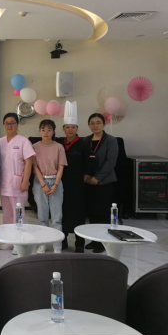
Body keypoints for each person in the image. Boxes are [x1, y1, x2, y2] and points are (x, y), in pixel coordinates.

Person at [0, 112, 35, 253]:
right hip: (4, 184)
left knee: (18, 214)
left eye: (12, 123)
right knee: (7, 214)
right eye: (6, 123)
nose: (9, 125)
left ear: (17, 124)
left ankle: (19, 242)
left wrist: (25, 181)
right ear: (3, 125)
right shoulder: (0, 142)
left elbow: (29, 162)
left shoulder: (23, 141)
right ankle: (9, 241)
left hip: (18, 184)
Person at [57, 101, 90, 253]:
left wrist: (87, 175)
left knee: (78, 213)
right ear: (63, 129)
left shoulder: (83, 144)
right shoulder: (58, 143)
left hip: (77, 185)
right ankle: (62, 241)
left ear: (77, 129)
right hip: (61, 183)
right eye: (67, 127)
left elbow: (90, 161)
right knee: (62, 212)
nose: (70, 130)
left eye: (73, 127)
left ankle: (79, 243)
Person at [84, 113, 119, 253]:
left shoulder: (111, 140)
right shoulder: (86, 140)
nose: (95, 125)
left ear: (103, 124)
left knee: (102, 213)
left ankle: (102, 242)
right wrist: (86, 175)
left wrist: (97, 177)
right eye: (92, 123)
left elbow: (111, 161)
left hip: (104, 182)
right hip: (88, 182)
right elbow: (84, 159)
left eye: (98, 122)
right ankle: (94, 240)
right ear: (89, 125)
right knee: (92, 213)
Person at [32, 119, 67, 253]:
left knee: (57, 218)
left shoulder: (59, 147)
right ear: (39, 131)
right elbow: (35, 167)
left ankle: (57, 246)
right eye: (43, 130)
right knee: (42, 217)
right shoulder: (34, 147)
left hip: (55, 181)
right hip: (40, 182)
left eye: (49, 130)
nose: (46, 133)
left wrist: (56, 185)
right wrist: (43, 185)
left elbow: (61, 167)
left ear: (53, 131)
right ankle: (43, 243)